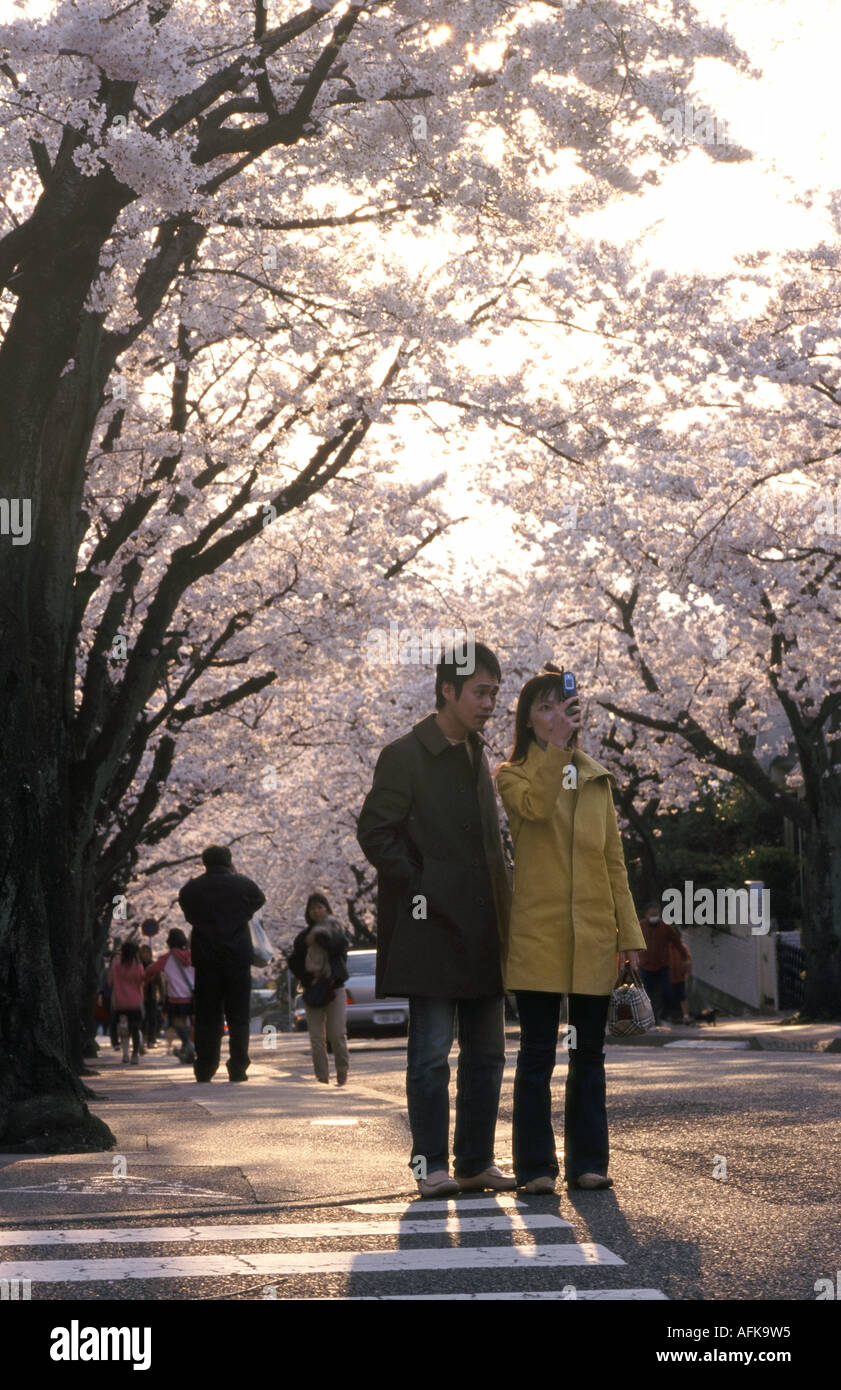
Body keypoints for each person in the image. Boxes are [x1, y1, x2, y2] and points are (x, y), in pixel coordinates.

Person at [357, 642, 514, 1199]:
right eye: (480, 692)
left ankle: (474, 1160)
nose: (490, 703)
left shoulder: (478, 752)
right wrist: (422, 883)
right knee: (429, 1056)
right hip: (430, 926)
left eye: (495, 692)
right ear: (448, 690)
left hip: (483, 925)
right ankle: (431, 1165)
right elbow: (375, 831)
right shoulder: (404, 753)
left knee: (488, 1052)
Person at [495, 667, 647, 1193]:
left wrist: (628, 937)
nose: (556, 715)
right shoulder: (512, 775)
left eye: (563, 706)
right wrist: (557, 748)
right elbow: (535, 809)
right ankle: (535, 1167)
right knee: (537, 1053)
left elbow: (614, 863)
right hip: (538, 933)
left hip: (594, 933)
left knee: (588, 1054)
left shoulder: (597, 778)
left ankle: (589, 1162)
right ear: (527, 720)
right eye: (543, 707)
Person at [178, 845, 265, 1083]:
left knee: (207, 1016)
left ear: (204, 862)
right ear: (229, 861)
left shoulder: (193, 888)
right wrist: (242, 912)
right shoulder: (242, 885)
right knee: (238, 1016)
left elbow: (186, 906)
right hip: (237, 957)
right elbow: (259, 899)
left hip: (206, 959)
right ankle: (238, 1067)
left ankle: (205, 1066)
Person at [288, 893, 350, 1085]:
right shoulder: (303, 937)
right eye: (312, 908)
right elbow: (294, 960)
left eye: (320, 906)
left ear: (327, 909)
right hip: (312, 989)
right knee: (316, 1037)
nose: (316, 911)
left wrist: (319, 937)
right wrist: (308, 975)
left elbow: (338, 947)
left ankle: (342, 1072)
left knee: (337, 1034)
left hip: (334, 988)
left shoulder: (337, 931)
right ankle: (322, 1077)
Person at [143, 928, 196, 1063]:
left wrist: (146, 978)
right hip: (195, 996)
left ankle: (188, 1045)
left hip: (177, 998)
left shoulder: (167, 958)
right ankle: (189, 1048)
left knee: (179, 1023)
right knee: (193, 1024)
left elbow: (150, 970)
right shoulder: (194, 955)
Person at [638, 903, 688, 1025]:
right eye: (652, 915)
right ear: (647, 915)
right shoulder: (640, 926)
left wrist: (685, 957)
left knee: (667, 991)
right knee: (647, 993)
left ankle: (666, 1014)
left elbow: (677, 942)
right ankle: (651, 1018)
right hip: (645, 965)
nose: (654, 917)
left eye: (656, 915)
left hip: (662, 966)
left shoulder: (665, 927)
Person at [107, 939, 146, 1065]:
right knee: (135, 1028)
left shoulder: (116, 965)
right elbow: (142, 980)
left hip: (120, 1003)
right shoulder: (138, 965)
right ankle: (135, 1054)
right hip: (135, 1003)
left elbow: (110, 982)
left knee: (123, 1030)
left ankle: (125, 1054)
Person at [665, 927, 694, 1024]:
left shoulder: (682, 948)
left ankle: (685, 1016)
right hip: (668, 977)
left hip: (679, 976)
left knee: (682, 996)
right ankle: (671, 1016)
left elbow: (688, 961)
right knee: (670, 997)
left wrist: (687, 972)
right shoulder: (665, 948)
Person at [138, 939, 161, 1048]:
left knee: (152, 1018)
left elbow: (160, 981)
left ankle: (151, 1039)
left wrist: (162, 994)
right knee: (142, 1019)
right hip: (139, 995)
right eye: (143, 952)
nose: (145, 955)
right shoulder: (138, 965)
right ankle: (141, 1039)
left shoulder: (154, 964)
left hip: (152, 994)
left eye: (147, 952)